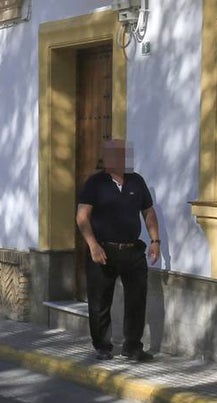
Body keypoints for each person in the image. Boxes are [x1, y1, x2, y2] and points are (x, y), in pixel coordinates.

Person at [76, 138, 162, 362]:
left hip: (132, 250)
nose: (124, 159)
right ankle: (103, 346)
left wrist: (155, 241)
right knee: (100, 301)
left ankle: (132, 347)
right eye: (119, 155)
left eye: (125, 155)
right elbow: (82, 217)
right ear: (107, 160)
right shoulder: (95, 184)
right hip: (103, 249)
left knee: (137, 299)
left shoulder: (137, 182)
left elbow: (148, 212)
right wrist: (92, 245)